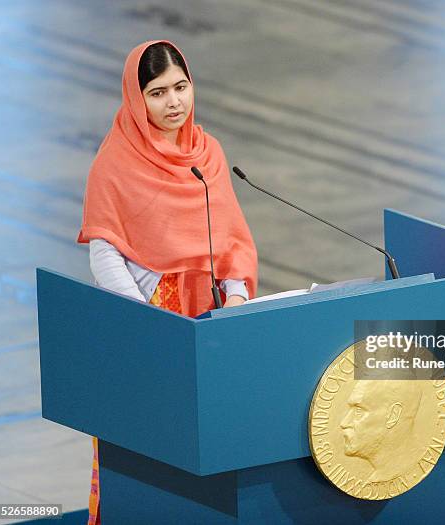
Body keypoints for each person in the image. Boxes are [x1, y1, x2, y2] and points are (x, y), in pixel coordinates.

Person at [76, 40, 258, 524]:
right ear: (137, 100)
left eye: (181, 87)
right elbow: (104, 249)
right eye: (157, 93)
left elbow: (233, 238)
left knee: (210, 440)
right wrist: (146, 320)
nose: (174, 103)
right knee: (148, 439)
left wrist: (237, 295)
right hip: (149, 317)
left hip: (208, 318)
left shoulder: (208, 154)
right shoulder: (115, 162)